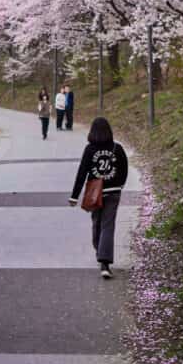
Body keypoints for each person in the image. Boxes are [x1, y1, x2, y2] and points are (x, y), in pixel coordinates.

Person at [68, 117, 128, 279]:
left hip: (95, 192)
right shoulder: (118, 148)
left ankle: (101, 256)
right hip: (113, 191)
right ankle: (105, 262)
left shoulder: (90, 150)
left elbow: (82, 173)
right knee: (107, 225)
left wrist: (74, 196)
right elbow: (124, 169)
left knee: (97, 223)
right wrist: (120, 185)